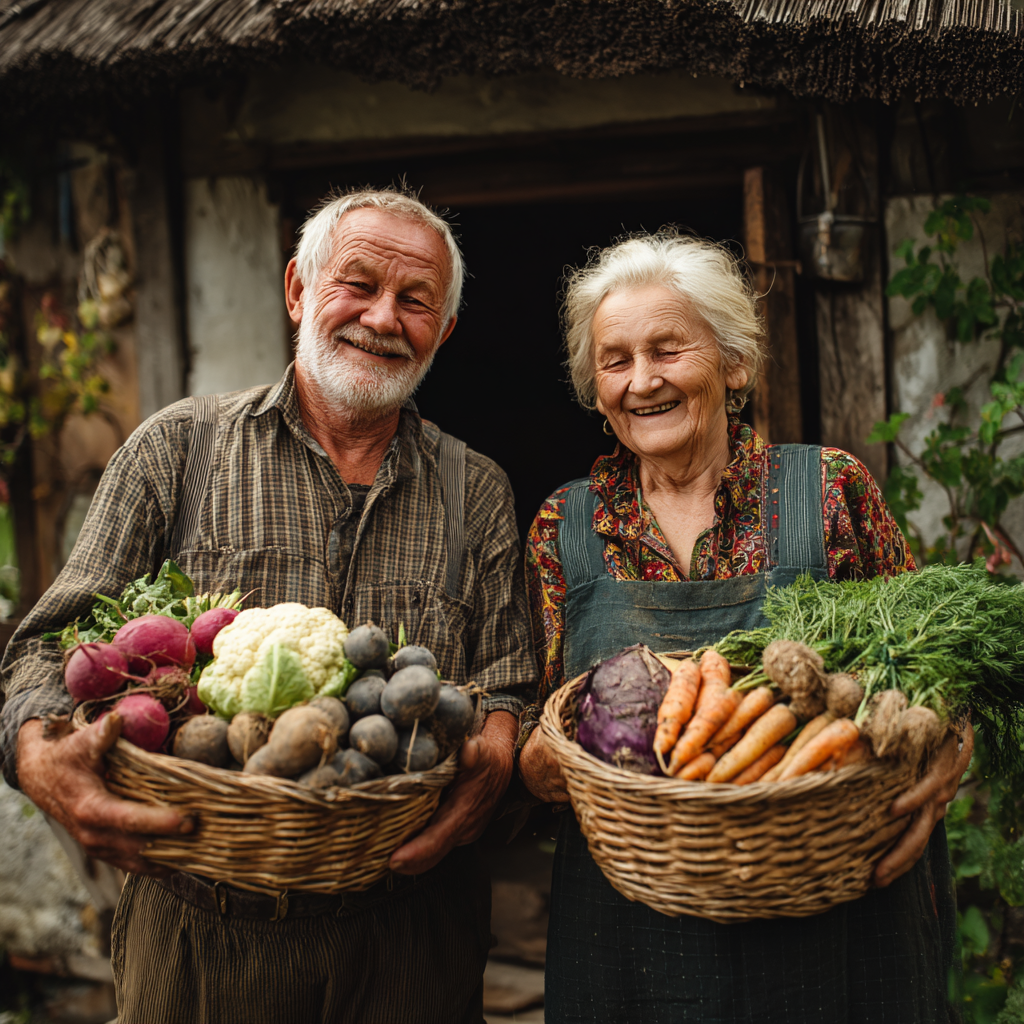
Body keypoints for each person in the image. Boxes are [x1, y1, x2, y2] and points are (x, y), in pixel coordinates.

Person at [1, 186, 536, 1024]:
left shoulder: (479, 492)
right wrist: (38, 755)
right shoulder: (176, 448)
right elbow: (48, 647)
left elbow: (508, 685)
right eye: (356, 284)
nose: (383, 318)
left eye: (416, 300)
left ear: (446, 332)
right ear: (296, 290)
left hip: (411, 938)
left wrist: (498, 747)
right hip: (199, 937)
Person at [516, 229, 973, 1024]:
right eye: (616, 360)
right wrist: (551, 765)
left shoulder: (827, 490)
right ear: (595, 391)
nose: (642, 381)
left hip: (838, 916)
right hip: (632, 932)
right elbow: (531, 734)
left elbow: (940, 673)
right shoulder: (565, 524)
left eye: (668, 350)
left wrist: (948, 753)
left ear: (734, 363)